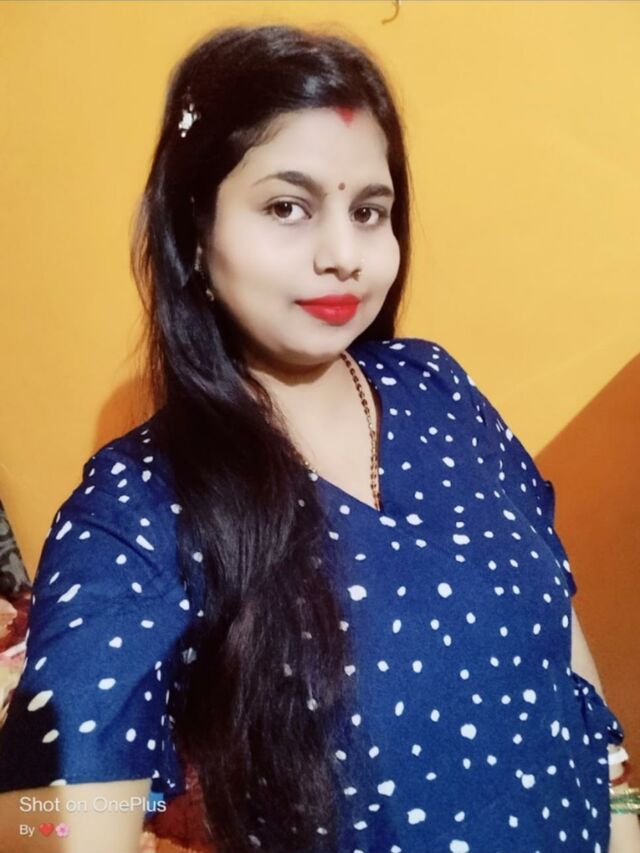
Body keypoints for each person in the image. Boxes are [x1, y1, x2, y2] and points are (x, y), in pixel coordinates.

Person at [0, 22, 637, 853]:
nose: (344, 255)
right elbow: (44, 820)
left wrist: (620, 806)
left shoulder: (435, 386)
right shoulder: (140, 502)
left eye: (370, 211)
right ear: (195, 228)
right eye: (287, 207)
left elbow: (552, 616)